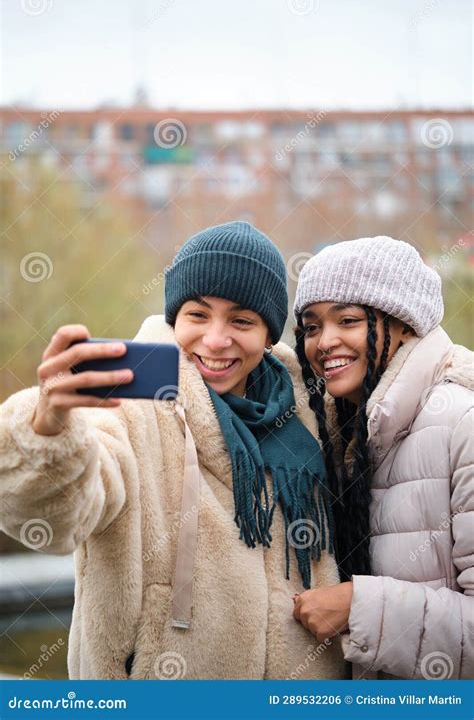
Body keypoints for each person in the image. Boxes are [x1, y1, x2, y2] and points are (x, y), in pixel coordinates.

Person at [0, 221, 345, 680]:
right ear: (173, 319)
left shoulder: (312, 414)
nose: (216, 339)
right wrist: (47, 428)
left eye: (241, 320)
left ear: (268, 335)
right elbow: (57, 520)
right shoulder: (131, 408)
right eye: (197, 315)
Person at [291, 236, 473, 679]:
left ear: (405, 325)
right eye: (312, 327)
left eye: (348, 320)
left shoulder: (461, 422)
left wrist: (361, 606)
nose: (325, 342)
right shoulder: (345, 430)